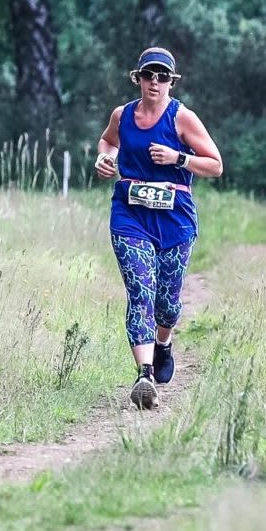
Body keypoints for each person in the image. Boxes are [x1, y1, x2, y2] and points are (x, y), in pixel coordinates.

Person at [94, 46, 223, 409]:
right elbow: (108, 141)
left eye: (162, 76)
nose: (155, 81)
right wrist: (106, 158)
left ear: (172, 81)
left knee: (166, 301)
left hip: (175, 219)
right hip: (130, 214)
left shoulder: (183, 118)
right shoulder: (122, 115)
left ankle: (163, 344)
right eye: (148, 74)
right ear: (137, 78)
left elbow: (215, 165)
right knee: (140, 292)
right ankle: (144, 374)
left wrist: (177, 157)